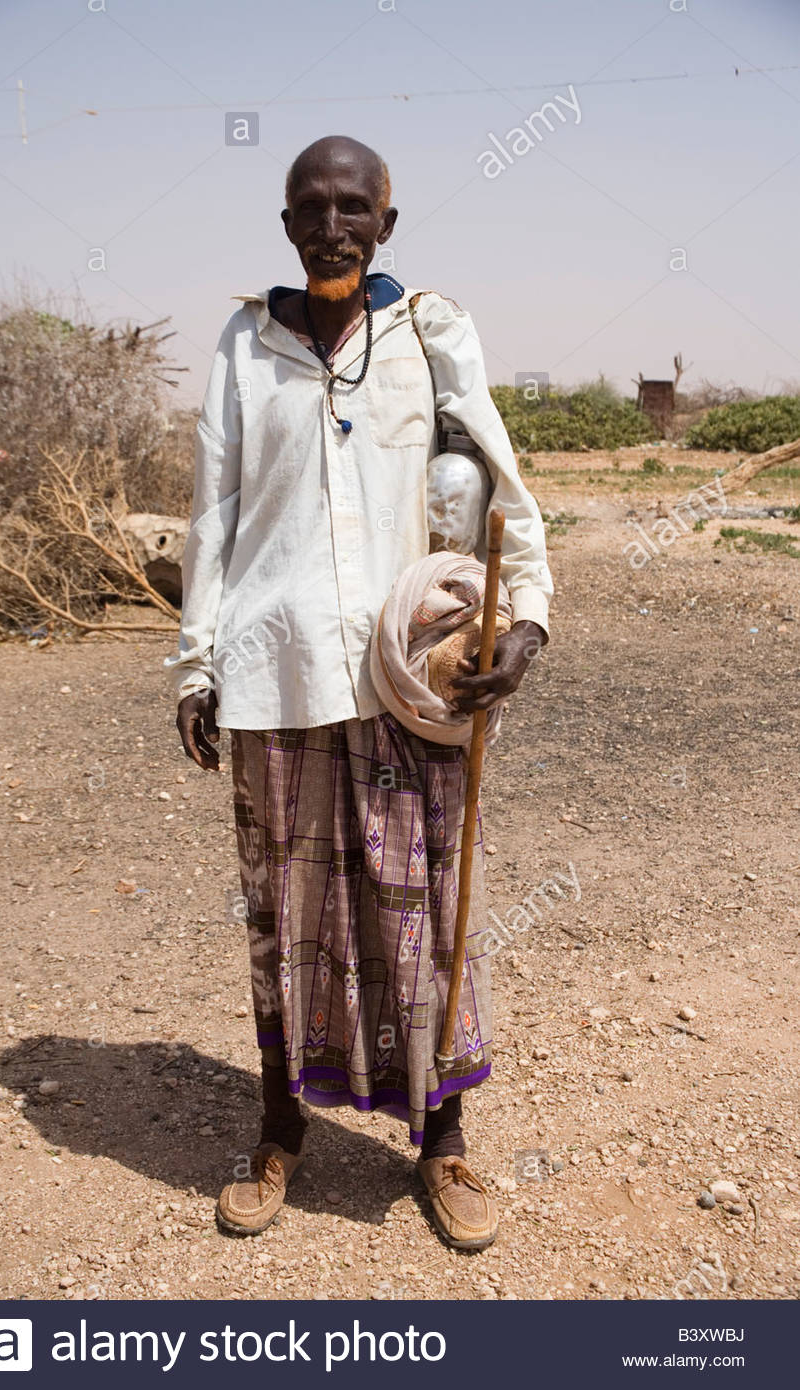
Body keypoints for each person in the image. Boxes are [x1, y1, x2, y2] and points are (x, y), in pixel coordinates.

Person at [165, 135, 553, 1252]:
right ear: (284, 221)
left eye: (351, 208)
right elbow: (211, 512)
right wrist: (197, 664)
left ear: (386, 221)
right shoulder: (247, 344)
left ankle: (443, 1141)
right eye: (308, 208)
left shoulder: (429, 332)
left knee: (422, 913)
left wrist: (522, 623)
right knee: (279, 917)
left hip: (407, 676)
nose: (329, 227)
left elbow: (498, 484)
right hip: (270, 670)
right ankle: (278, 1126)